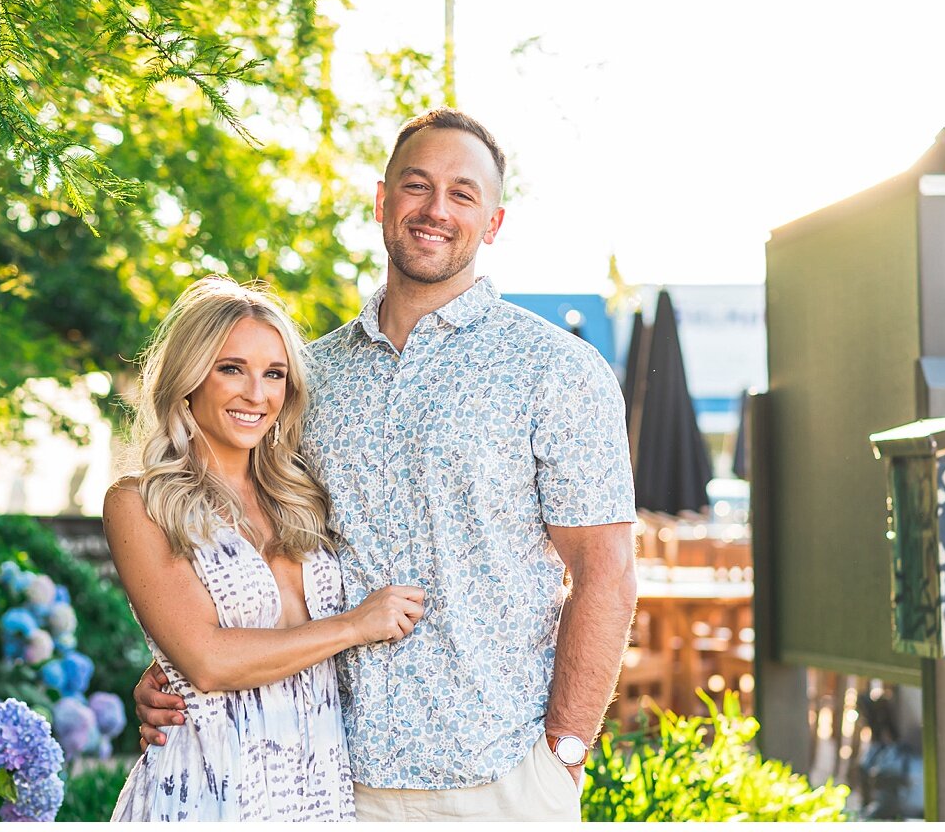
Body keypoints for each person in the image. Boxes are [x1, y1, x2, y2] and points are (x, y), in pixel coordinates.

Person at [134, 108, 639, 821]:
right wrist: (173, 661)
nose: (436, 209)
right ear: (381, 202)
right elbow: (239, 535)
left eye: (463, 194)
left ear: (493, 223)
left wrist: (564, 752)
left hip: (498, 777)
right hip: (332, 775)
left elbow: (607, 573)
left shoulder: (557, 370)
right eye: (417, 185)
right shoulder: (309, 375)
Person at [104, 275, 427, 821]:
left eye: (274, 374)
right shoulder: (140, 503)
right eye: (232, 368)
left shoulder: (303, 494)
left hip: (319, 793)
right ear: (190, 377)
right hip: (212, 791)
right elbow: (206, 661)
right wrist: (354, 625)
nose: (257, 394)